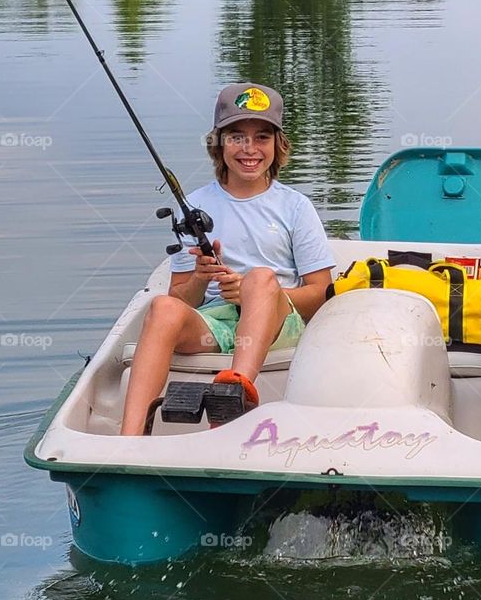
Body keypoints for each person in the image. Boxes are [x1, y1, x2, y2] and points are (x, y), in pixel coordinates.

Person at [119, 83, 333, 435]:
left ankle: (233, 394)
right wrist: (201, 278)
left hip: (279, 326)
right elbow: (180, 298)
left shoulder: (295, 206)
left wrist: (251, 293)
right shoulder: (195, 204)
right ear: (218, 144)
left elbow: (321, 294)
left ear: (278, 145)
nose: (250, 149)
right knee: (161, 308)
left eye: (262, 137)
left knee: (260, 278)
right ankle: (129, 438)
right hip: (215, 327)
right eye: (237, 137)